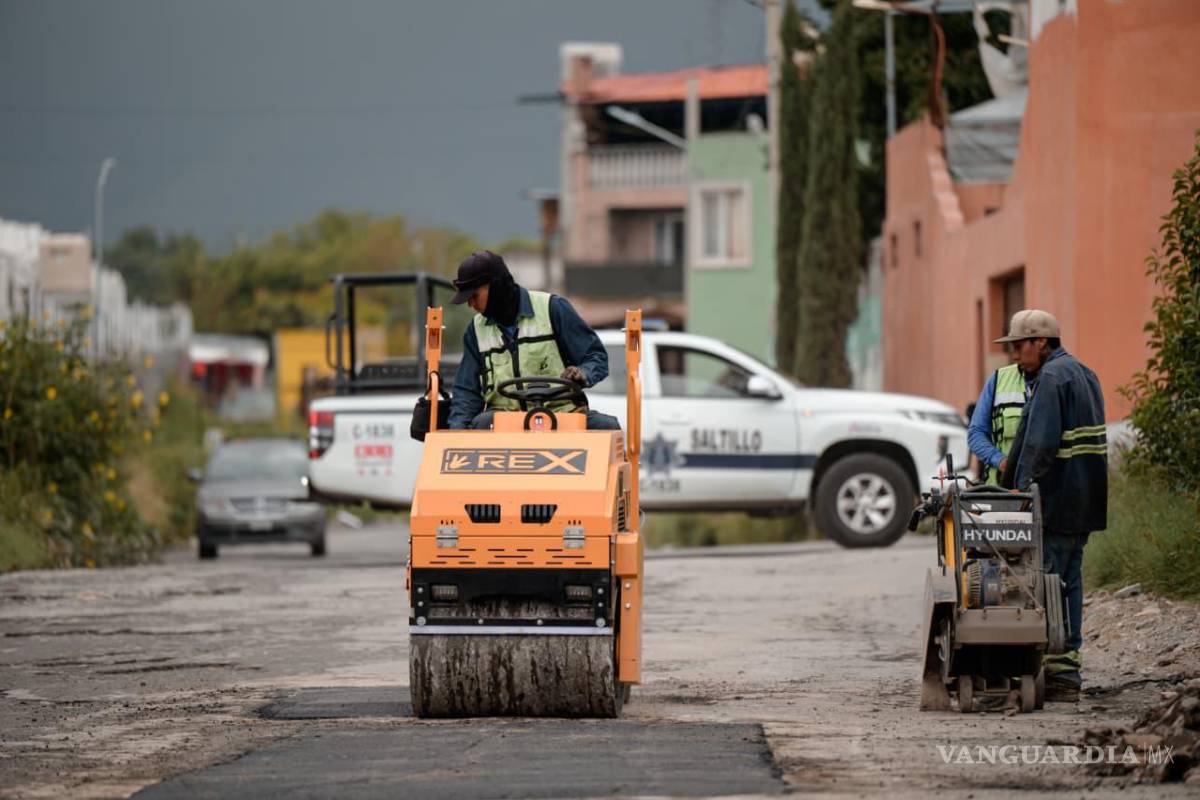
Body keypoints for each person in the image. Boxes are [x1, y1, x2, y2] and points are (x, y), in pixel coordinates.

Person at [997, 309, 1108, 702]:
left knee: (1045, 584)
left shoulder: (1051, 378)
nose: (1014, 356)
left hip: (1057, 501)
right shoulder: (1085, 374)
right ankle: (1067, 673)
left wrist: (1021, 489)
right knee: (1069, 582)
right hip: (1084, 503)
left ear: (1041, 342)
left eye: (1019, 346)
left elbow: (1041, 444)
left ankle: (1047, 671)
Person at [446, 250, 620, 431]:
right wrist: (456, 434)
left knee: (605, 427)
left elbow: (596, 357)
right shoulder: (475, 330)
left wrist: (583, 374)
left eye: (473, 296)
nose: (470, 304)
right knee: (480, 423)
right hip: (502, 426)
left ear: (495, 286)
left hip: (562, 418)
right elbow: (467, 393)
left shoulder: (553, 309)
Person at [967, 349, 1029, 485]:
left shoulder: (1055, 381)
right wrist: (1000, 461)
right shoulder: (999, 379)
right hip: (1003, 490)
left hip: (1045, 493)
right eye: (1015, 346)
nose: (1015, 354)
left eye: (1020, 345)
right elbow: (976, 433)